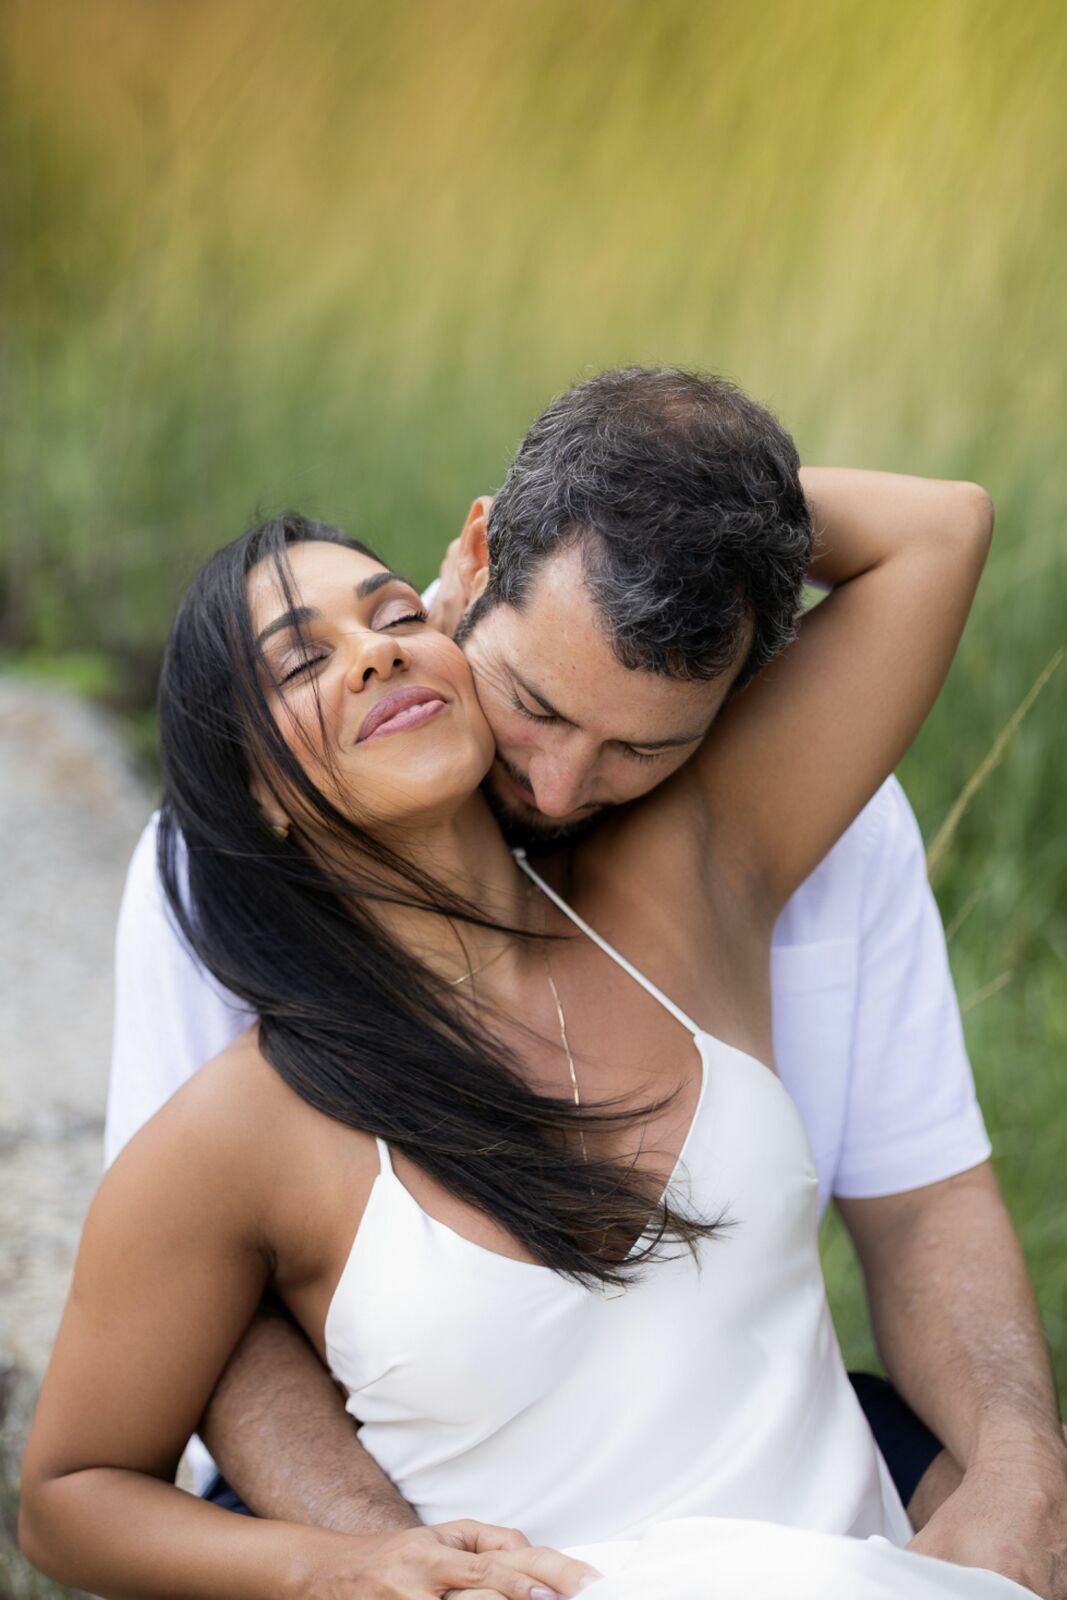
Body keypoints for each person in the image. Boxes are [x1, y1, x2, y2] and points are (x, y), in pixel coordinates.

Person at [21, 372, 1035, 1598]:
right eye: (301, 663)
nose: (373, 654)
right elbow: (71, 1491)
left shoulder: (689, 879)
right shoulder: (242, 1114)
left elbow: (940, 531)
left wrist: (643, 514)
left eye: (390, 614)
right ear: (252, 798)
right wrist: (342, 1564)